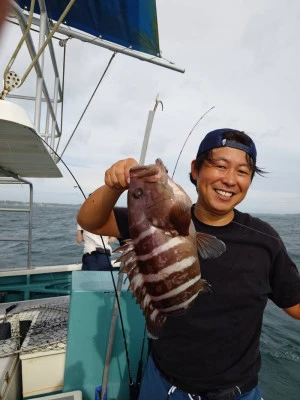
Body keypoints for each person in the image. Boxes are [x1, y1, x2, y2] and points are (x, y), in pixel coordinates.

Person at [77, 128, 300, 400]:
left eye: (242, 171)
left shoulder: (265, 240)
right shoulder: (144, 222)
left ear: (250, 180)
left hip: (239, 392)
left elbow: (295, 305)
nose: (229, 179)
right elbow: (91, 221)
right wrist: (114, 187)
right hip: (164, 384)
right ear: (195, 170)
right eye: (219, 166)